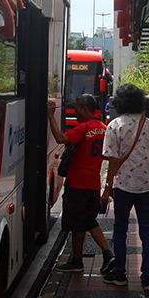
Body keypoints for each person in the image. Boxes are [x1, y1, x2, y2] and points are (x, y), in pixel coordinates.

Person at [100, 83, 149, 290]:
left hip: (124, 186)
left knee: (121, 230)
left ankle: (120, 273)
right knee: (147, 231)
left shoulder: (115, 125)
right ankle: (148, 277)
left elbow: (113, 160)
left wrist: (107, 187)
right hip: (148, 186)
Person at [47, 95, 115, 273]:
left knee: (78, 223)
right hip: (93, 184)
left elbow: (61, 139)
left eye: (77, 108)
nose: (75, 112)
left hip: (77, 182)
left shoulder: (83, 128)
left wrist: (50, 116)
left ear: (85, 109)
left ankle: (79, 260)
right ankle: (105, 255)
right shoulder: (103, 128)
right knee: (88, 220)